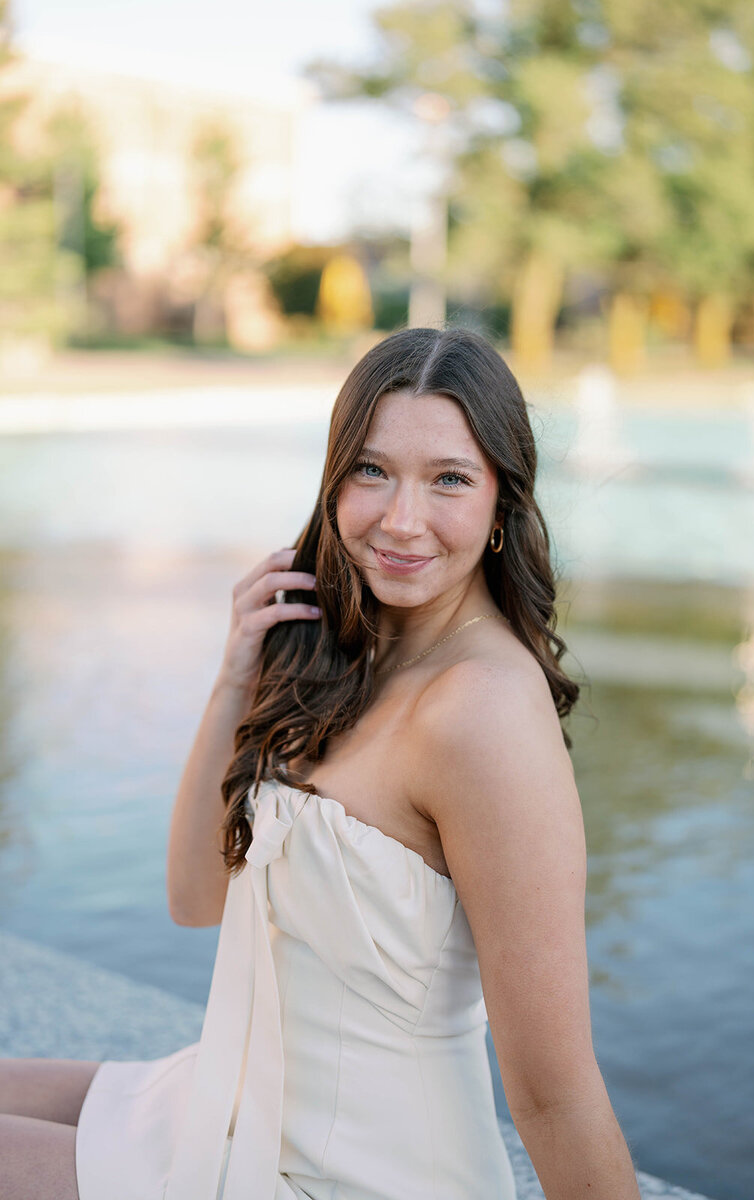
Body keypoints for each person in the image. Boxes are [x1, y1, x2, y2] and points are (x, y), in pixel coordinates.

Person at [0, 325, 641, 1199]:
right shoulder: (350, 656)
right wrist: (235, 678)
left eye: (449, 479)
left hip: (343, 1173)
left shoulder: (483, 714)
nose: (400, 519)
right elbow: (196, 899)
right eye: (371, 470)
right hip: (228, 1097)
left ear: (502, 504)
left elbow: (555, 1092)